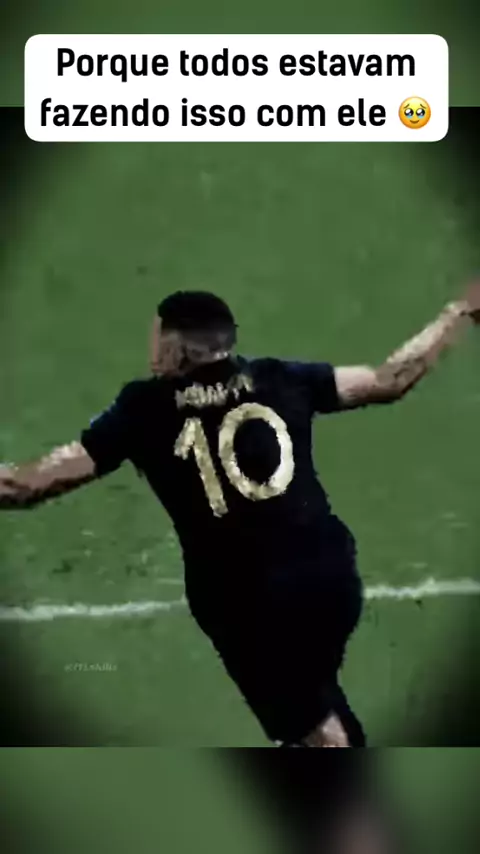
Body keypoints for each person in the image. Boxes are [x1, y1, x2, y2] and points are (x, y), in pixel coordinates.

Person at [1, 284, 479, 747]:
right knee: (310, 692)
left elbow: (30, 485)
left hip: (246, 605)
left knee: (317, 729)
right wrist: (458, 313)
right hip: (331, 581)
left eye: (156, 337)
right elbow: (390, 380)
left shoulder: (143, 408)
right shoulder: (282, 377)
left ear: (176, 348)